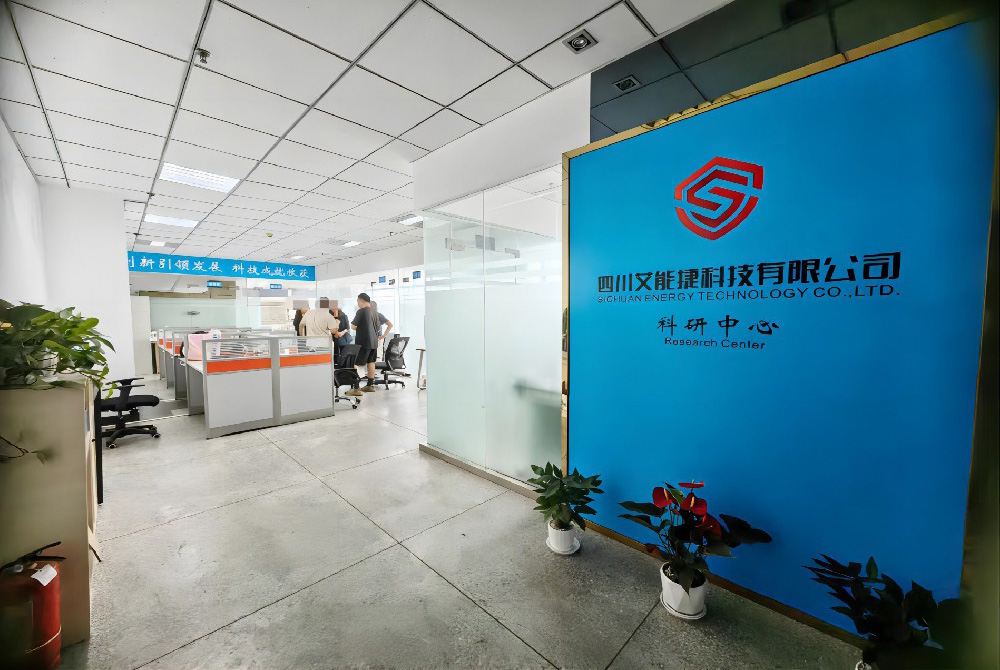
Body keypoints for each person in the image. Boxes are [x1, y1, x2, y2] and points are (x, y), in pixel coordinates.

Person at [350, 292, 380, 392]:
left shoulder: (361, 311)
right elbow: (378, 327)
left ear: (361, 300)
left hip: (363, 342)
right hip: (374, 342)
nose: (358, 303)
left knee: (356, 363)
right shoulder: (374, 312)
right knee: (371, 362)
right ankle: (370, 385)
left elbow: (353, 326)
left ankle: (356, 387)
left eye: (357, 301)